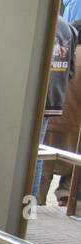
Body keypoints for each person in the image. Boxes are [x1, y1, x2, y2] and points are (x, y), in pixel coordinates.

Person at [38, 17, 81, 207]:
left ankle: (32, 205)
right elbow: (69, 72)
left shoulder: (43, 23)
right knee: (65, 166)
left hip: (44, 107)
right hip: (65, 113)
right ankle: (61, 198)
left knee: (39, 160)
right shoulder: (67, 30)